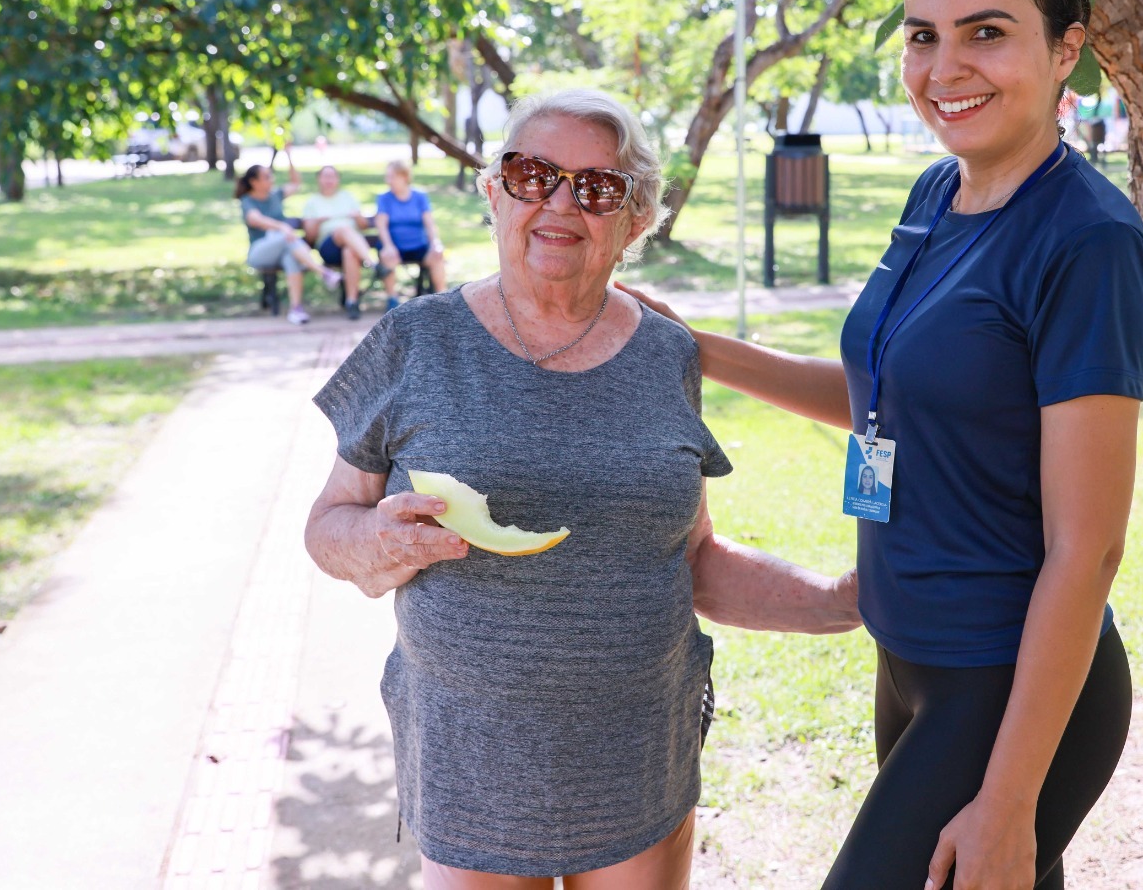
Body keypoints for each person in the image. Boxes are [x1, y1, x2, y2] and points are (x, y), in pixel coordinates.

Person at [626, 0, 1143, 890]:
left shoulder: (1087, 241)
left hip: (1005, 685)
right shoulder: (936, 195)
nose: (945, 68)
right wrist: (691, 348)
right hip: (909, 661)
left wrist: (1009, 800)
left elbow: (1088, 548)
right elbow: (892, 399)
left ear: (1066, 50)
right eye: (923, 36)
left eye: (986, 33)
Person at [304, 89, 861, 890]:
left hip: (639, 763)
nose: (560, 203)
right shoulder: (413, 340)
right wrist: (375, 540)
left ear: (636, 222)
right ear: (494, 192)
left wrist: (840, 601)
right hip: (469, 771)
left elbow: (691, 558)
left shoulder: (667, 353)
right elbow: (328, 525)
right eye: (532, 175)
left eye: (598, 188)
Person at [235, 159, 341, 325]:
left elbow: (296, 183)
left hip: (285, 248)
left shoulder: (275, 195)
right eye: (267, 177)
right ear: (254, 182)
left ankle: (296, 309)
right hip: (259, 252)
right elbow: (255, 219)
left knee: (291, 257)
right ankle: (323, 272)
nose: (272, 179)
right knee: (286, 239)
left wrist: (288, 155)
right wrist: (282, 226)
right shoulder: (247, 200)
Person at [301, 163, 389, 320]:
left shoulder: (347, 197)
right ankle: (374, 264)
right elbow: (309, 236)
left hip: (354, 247)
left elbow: (363, 226)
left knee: (349, 252)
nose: (329, 180)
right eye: (325, 176)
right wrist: (318, 222)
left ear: (338, 179)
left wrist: (358, 217)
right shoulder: (313, 202)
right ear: (319, 179)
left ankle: (351, 302)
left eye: (332, 176)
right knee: (343, 230)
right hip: (328, 248)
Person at [375, 159, 448, 307]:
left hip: (418, 246)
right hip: (395, 246)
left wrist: (435, 243)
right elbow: (381, 226)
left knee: (437, 254)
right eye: (387, 177)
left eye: (392, 177)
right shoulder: (384, 198)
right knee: (387, 256)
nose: (388, 181)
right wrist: (388, 246)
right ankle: (392, 300)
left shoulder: (420, 197)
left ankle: (443, 299)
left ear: (404, 177)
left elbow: (429, 224)